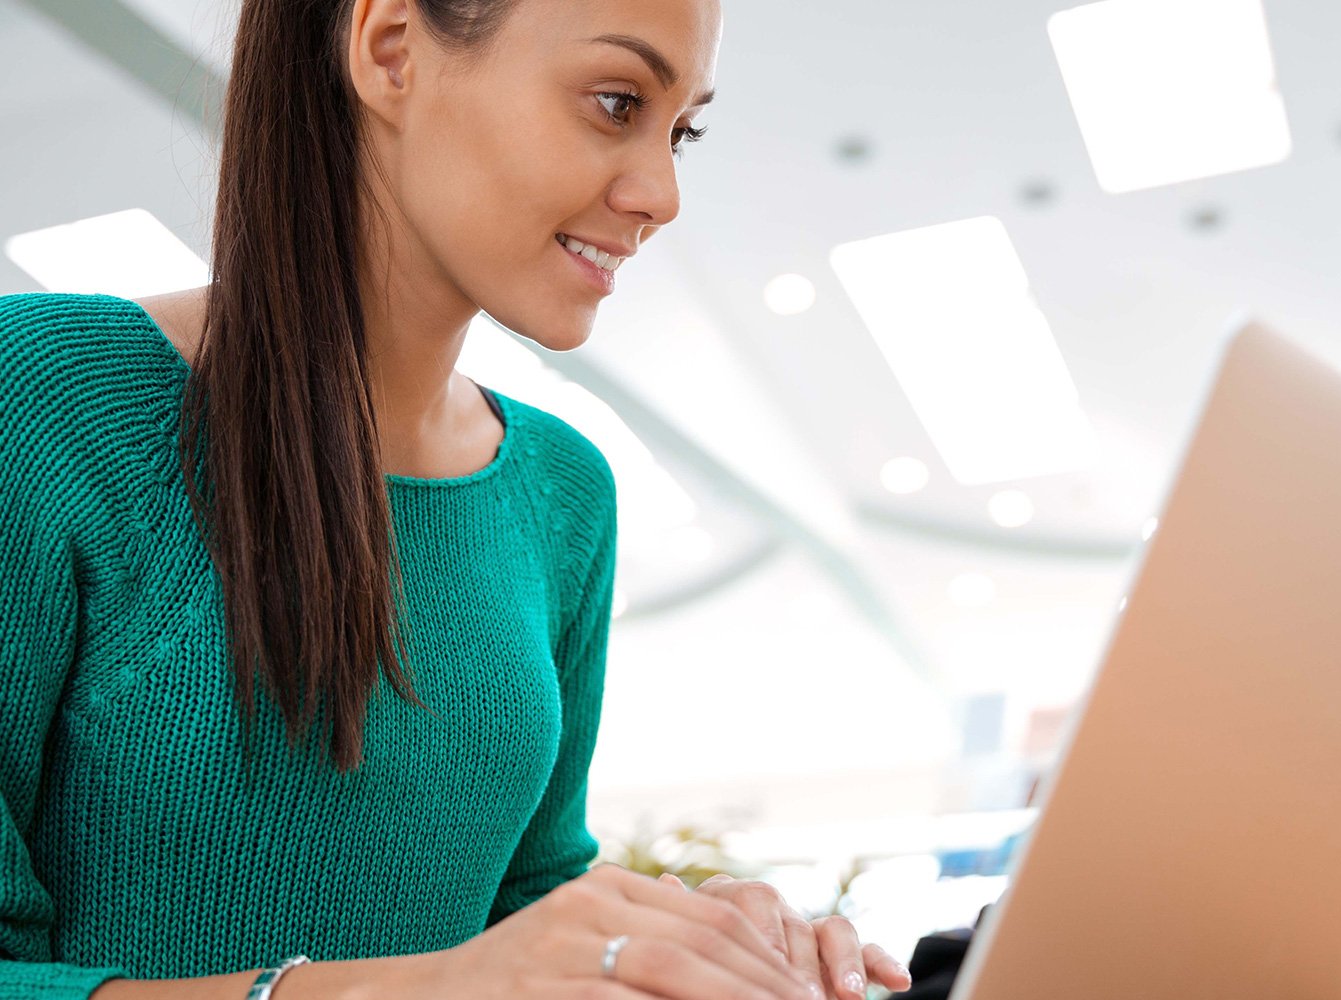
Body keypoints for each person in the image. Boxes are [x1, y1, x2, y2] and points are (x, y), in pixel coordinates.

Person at [0, 1, 916, 999]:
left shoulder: (565, 494)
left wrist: (678, 938)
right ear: (391, 50)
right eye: (616, 102)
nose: (661, 193)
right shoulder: (42, 399)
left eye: (681, 131)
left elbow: (520, 903)